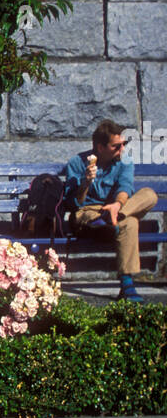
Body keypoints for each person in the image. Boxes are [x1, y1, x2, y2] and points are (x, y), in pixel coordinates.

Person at [62, 120, 158, 300]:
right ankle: (127, 284)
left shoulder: (125, 161)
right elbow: (74, 204)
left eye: (124, 144)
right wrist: (85, 183)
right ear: (100, 147)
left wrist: (117, 206)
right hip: (88, 212)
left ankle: (112, 217)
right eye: (116, 146)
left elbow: (125, 188)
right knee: (129, 222)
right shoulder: (77, 163)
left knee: (149, 195)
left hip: (117, 209)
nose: (121, 149)